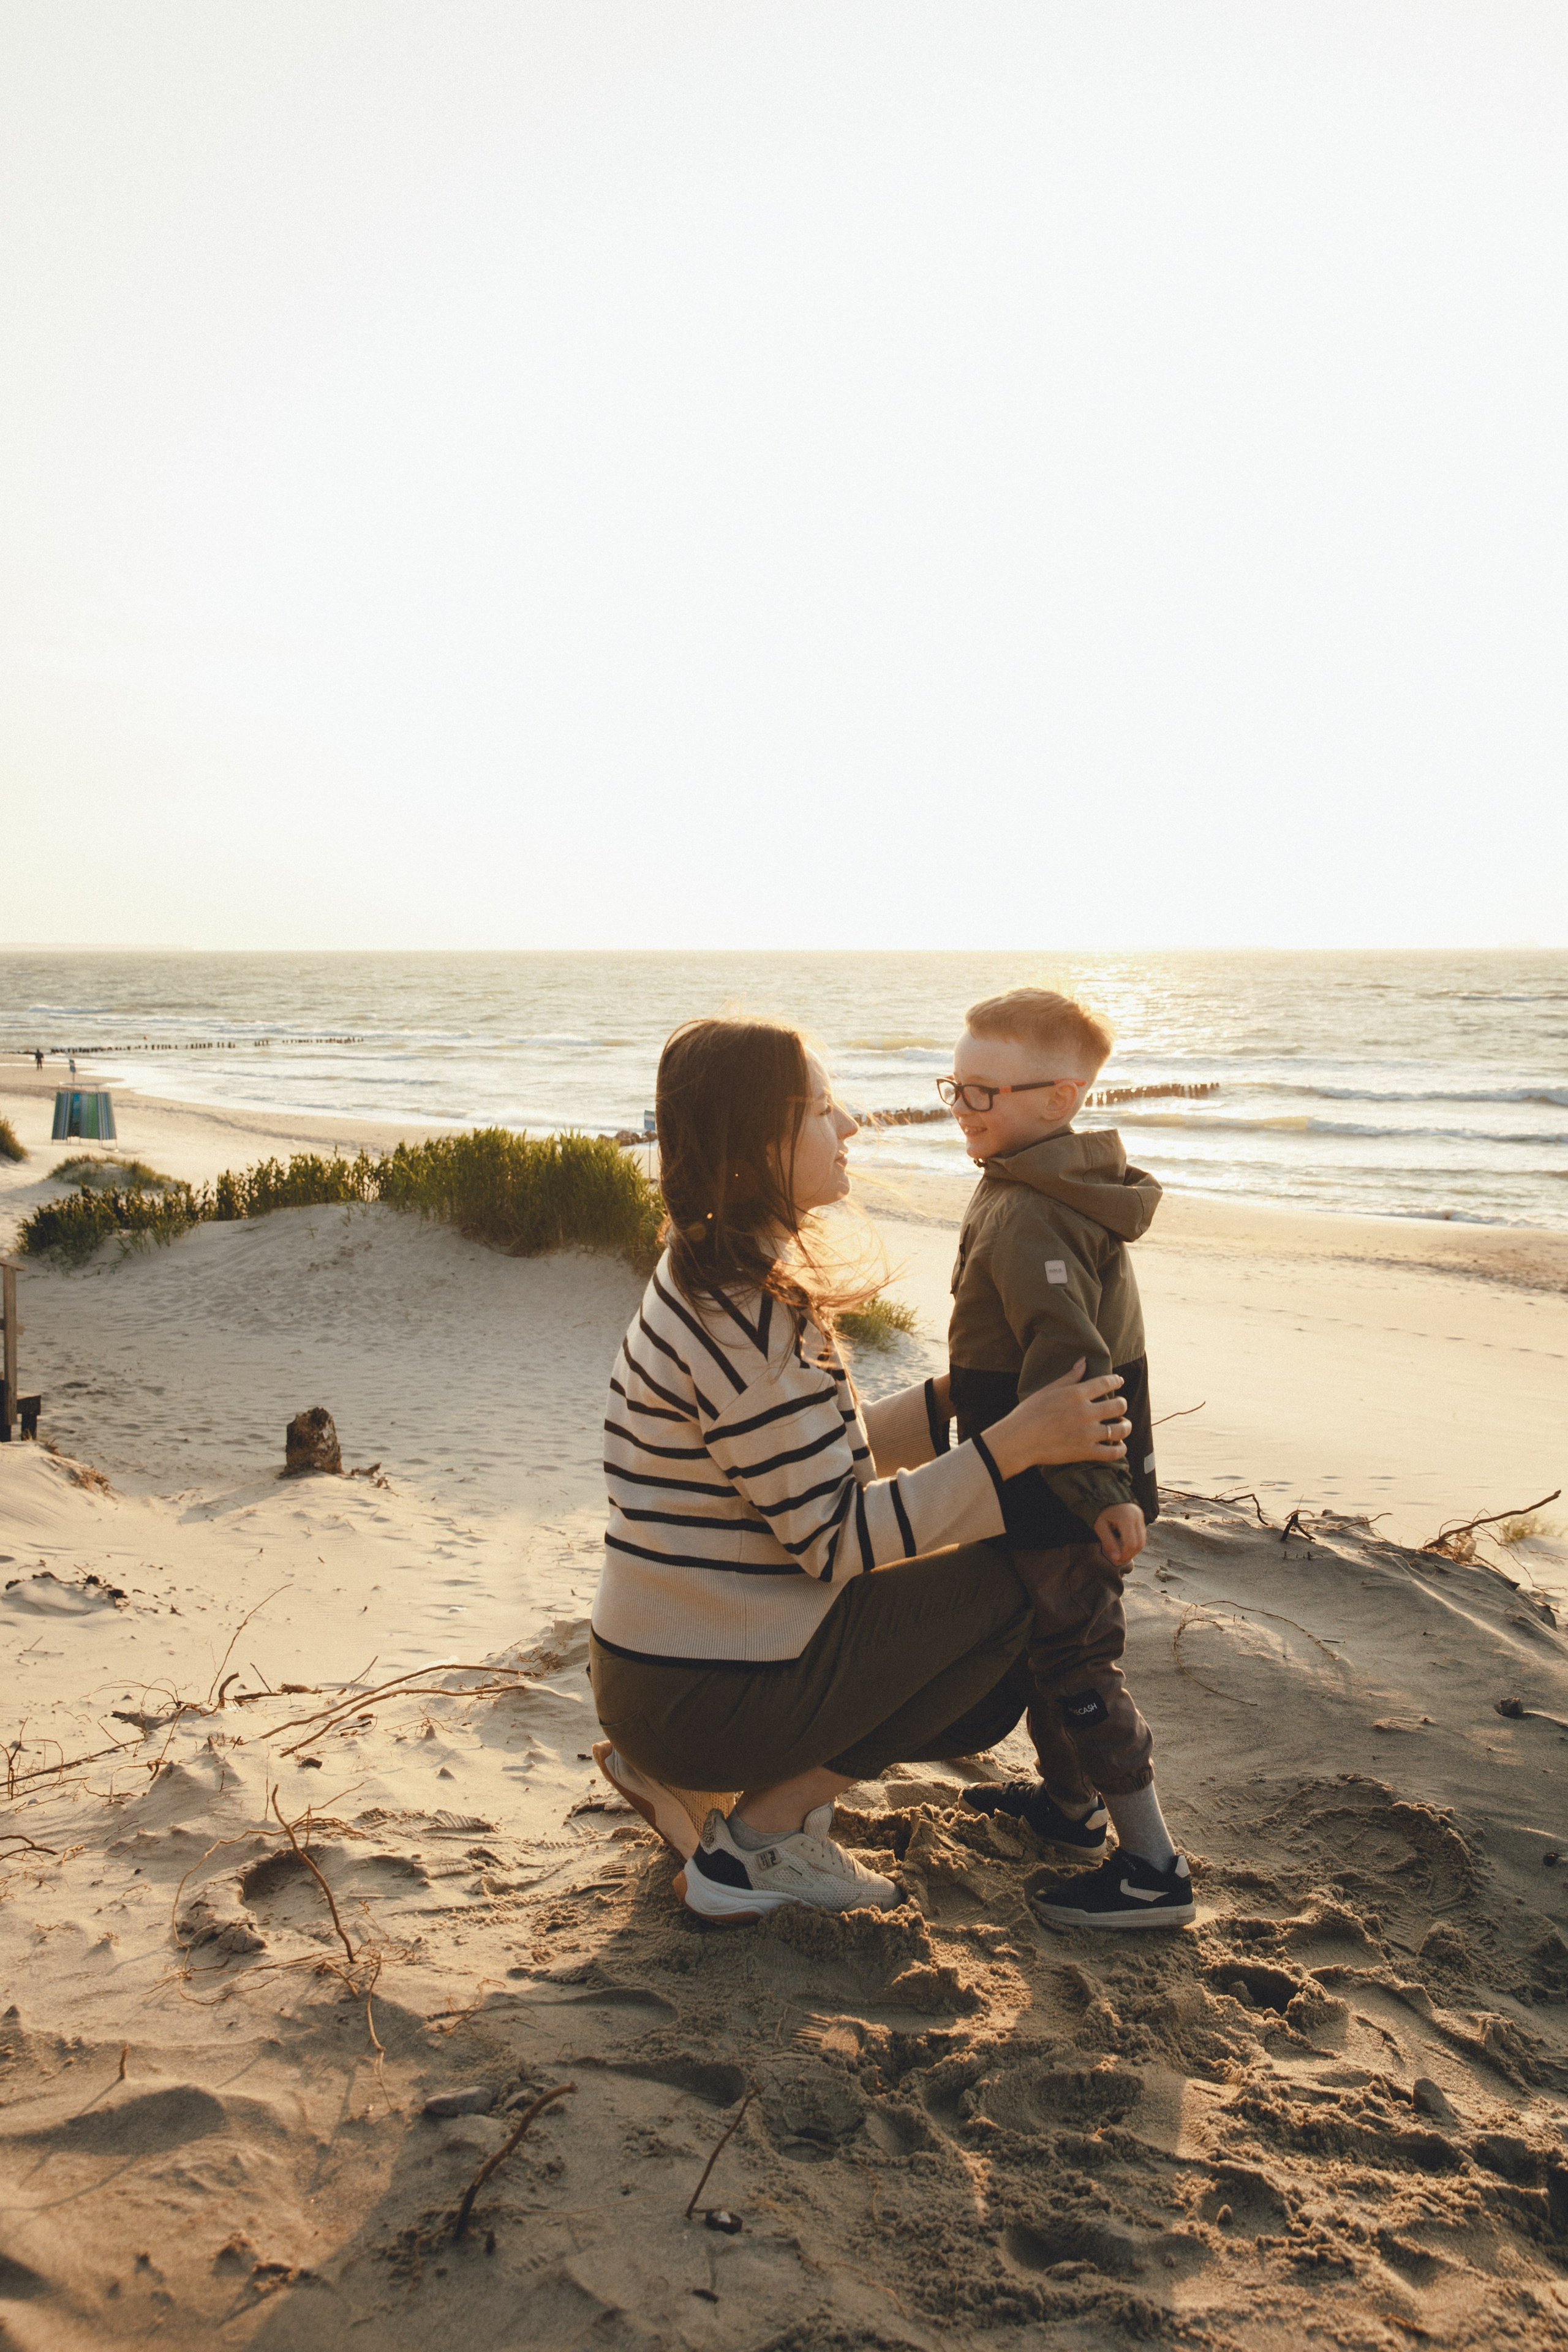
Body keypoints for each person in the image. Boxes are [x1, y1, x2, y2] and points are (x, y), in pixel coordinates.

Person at [588, 1015, 1134, 1924]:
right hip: (695, 1690)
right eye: (822, 1111)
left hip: (666, 1666)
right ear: (758, 1139)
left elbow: (803, 1474)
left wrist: (952, 1402)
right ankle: (758, 1843)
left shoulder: (708, 1274)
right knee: (1018, 1579)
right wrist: (1016, 1447)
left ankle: (695, 1785)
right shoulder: (744, 1327)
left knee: (974, 1564)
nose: (849, 1128)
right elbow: (837, 1540)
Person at [941, 986, 1193, 1928]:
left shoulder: (1031, 1212)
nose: (960, 1111)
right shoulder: (1041, 1177)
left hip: (1064, 1482)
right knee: (1053, 1648)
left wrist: (1098, 1496)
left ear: (1060, 1098)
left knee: (1079, 1658)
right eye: (955, 1088)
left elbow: (1066, 1359)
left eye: (983, 1095)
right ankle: (1069, 1805)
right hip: (1062, 1471)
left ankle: (1152, 1866)